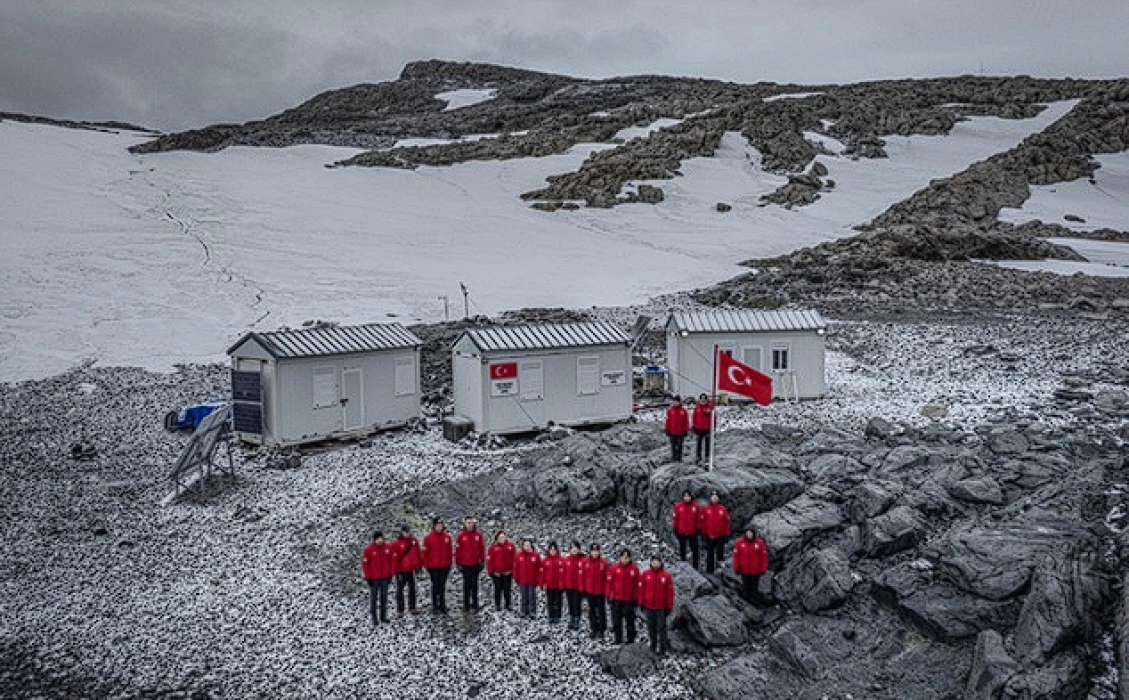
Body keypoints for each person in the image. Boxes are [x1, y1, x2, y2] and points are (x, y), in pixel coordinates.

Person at [637, 555, 675, 654]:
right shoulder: (645, 574)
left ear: (661, 563)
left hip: (660, 606)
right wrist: (641, 603)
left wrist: (669, 606)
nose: (655, 563)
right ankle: (653, 644)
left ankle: (663, 647)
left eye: (657, 561)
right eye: (653, 561)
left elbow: (670, 593)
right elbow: (641, 590)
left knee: (661, 627)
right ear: (651, 563)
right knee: (651, 626)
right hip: (649, 606)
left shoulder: (666, 576)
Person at [606, 549, 640, 644]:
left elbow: (638, 585)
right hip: (616, 599)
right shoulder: (614, 568)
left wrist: (637, 598)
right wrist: (608, 595)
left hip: (629, 600)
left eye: (627, 557)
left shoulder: (634, 569)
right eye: (623, 557)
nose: (625, 559)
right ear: (620, 557)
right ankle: (618, 638)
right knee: (616, 620)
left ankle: (631, 639)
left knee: (630, 620)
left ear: (630, 558)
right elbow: (609, 583)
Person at [361, 530, 395, 626]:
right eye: (378, 539)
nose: (380, 540)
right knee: (374, 599)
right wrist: (368, 577)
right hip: (374, 578)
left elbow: (392, 561)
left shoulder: (388, 548)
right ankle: (374, 618)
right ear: (374, 539)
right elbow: (365, 564)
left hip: (385, 577)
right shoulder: (369, 550)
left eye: (381, 538)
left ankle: (383, 617)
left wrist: (391, 574)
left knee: (384, 597)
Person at [422, 518, 453, 614]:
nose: (439, 527)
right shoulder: (428, 538)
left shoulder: (447, 537)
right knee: (435, 586)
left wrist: (449, 564)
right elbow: (425, 554)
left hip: (444, 566)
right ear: (434, 526)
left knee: (442, 586)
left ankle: (443, 605)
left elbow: (449, 552)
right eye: (437, 525)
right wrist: (427, 565)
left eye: (441, 525)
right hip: (433, 567)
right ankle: (435, 605)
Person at [455, 516, 487, 612]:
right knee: (466, 585)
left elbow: (482, 548)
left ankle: (475, 604)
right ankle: (466, 605)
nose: (470, 524)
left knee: (475, 585)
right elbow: (458, 550)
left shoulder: (478, 535)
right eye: (468, 522)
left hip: (475, 563)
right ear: (465, 524)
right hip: (465, 564)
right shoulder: (461, 536)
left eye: (471, 522)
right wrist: (458, 563)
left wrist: (482, 561)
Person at [732, 527, 769, 605]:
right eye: (747, 533)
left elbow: (764, 557)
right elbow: (736, 556)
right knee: (746, 587)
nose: (749, 535)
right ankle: (746, 603)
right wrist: (736, 568)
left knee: (754, 588)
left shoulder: (759, 543)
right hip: (744, 570)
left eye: (751, 533)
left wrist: (763, 568)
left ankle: (754, 604)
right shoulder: (739, 542)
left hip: (756, 570)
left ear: (754, 534)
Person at [391, 524, 422, 615]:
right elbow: (394, 559)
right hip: (401, 570)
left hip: (411, 569)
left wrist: (419, 565)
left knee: (412, 589)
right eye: (405, 532)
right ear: (402, 532)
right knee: (400, 590)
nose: (407, 533)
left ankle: (412, 607)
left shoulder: (414, 541)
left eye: (408, 531)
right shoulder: (396, 544)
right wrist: (396, 572)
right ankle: (400, 610)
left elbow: (418, 553)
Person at [581, 543, 609, 639]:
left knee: (601, 611)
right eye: (593, 551)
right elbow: (583, 577)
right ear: (590, 551)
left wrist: (607, 591)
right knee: (591, 611)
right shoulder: (585, 562)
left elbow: (607, 578)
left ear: (599, 551)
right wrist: (583, 589)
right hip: (590, 591)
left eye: (597, 551)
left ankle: (602, 630)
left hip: (600, 591)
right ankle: (594, 628)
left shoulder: (604, 563)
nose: (595, 553)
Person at [700, 491, 731, 574]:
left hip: (720, 535)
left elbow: (726, 523)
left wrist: (727, 534)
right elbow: (703, 522)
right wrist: (703, 534)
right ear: (710, 498)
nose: (714, 498)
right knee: (710, 553)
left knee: (720, 551)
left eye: (716, 497)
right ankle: (709, 571)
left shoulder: (723, 509)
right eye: (713, 496)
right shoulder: (706, 509)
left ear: (719, 498)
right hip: (709, 535)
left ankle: (720, 570)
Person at [671, 490, 701, 570]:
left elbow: (698, 519)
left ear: (691, 497)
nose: (687, 497)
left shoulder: (696, 507)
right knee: (682, 549)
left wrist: (698, 529)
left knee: (695, 550)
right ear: (683, 497)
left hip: (692, 532)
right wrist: (675, 529)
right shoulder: (678, 506)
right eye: (685, 496)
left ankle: (695, 567)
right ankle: (683, 565)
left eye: (688, 496)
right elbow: (675, 519)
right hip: (682, 532)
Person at [487, 530, 516, 611]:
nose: (502, 539)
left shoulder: (511, 546)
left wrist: (512, 571)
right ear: (497, 539)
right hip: (497, 573)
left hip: (508, 572)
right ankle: (497, 604)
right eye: (500, 537)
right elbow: (490, 561)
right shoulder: (492, 548)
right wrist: (491, 572)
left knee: (507, 589)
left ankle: (508, 604)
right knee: (497, 589)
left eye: (503, 537)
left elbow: (514, 559)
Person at [513, 538, 542, 619]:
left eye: (528, 545)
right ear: (522, 546)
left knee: (532, 596)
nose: (526, 547)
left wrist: (538, 580)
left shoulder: (536, 555)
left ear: (531, 545)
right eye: (525, 545)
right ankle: (524, 611)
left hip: (532, 581)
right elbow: (515, 568)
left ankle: (532, 611)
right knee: (524, 596)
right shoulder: (519, 556)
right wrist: (516, 578)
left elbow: (539, 568)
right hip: (522, 580)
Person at [540, 542, 565, 624]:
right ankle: (551, 616)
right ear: (549, 550)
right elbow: (542, 573)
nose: (553, 551)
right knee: (550, 601)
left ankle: (557, 616)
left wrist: (564, 584)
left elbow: (564, 573)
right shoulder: (545, 561)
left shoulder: (561, 560)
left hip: (559, 585)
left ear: (557, 550)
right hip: (549, 585)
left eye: (554, 550)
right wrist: (541, 583)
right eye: (551, 550)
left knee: (558, 601)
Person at [562, 541, 585, 631]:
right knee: (570, 603)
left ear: (579, 549)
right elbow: (563, 573)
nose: (574, 549)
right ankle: (571, 618)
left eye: (576, 547)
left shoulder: (583, 560)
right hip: (568, 586)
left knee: (577, 603)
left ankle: (577, 619)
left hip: (578, 587)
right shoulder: (567, 560)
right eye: (572, 548)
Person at [663, 396, 690, 462]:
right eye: (674, 401)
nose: (675, 403)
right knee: (673, 445)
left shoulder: (683, 411)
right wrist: (667, 429)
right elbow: (668, 421)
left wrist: (686, 430)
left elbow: (686, 421)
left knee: (680, 445)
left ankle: (679, 458)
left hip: (681, 432)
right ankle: (674, 457)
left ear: (679, 402)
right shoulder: (670, 410)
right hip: (672, 432)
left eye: (677, 401)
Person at [691, 393, 715, 464]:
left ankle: (707, 456)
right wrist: (694, 427)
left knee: (708, 444)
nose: (703, 400)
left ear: (706, 400)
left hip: (707, 428)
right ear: (700, 400)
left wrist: (713, 427)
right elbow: (694, 418)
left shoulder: (710, 408)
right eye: (702, 399)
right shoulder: (697, 408)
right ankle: (698, 456)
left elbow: (714, 417)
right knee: (699, 443)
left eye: (704, 399)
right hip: (699, 428)